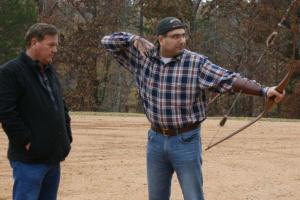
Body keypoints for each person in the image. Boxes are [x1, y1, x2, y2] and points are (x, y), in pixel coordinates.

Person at [101, 17, 285, 200]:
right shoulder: (143, 58)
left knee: (193, 196)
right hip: (155, 140)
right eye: (175, 36)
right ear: (161, 39)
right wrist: (132, 39)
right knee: (156, 197)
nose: (181, 40)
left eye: (183, 35)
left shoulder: (196, 63)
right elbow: (107, 42)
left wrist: (264, 90)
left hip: (186, 141)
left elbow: (229, 79)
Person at [0, 23, 72, 200]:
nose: (55, 50)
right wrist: (25, 141)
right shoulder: (10, 72)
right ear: (34, 42)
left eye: (56, 45)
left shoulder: (49, 71)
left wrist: (66, 136)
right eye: (51, 45)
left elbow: (60, 105)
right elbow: (6, 112)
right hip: (29, 161)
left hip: (52, 157)